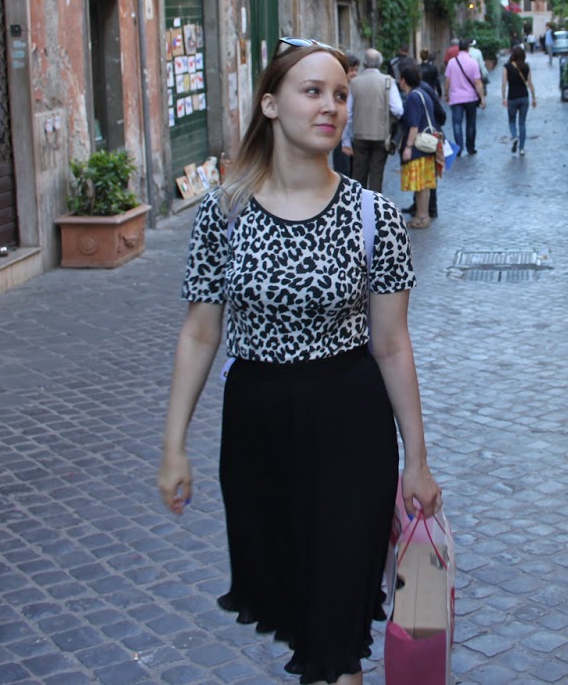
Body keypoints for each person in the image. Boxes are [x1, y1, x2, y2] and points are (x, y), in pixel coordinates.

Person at [158, 39, 441, 685]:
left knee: (336, 629)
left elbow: (392, 344)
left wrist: (417, 463)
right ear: (270, 104)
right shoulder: (224, 212)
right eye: (312, 92)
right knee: (301, 615)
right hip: (258, 429)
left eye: (340, 94)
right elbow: (201, 334)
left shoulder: (373, 218)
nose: (331, 106)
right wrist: (174, 445)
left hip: (351, 425)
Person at [348, 47, 403, 192]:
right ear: (380, 63)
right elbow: (398, 110)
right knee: (376, 174)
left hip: (359, 135)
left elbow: (348, 114)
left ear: (364, 63)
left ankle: (356, 206)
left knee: (358, 174)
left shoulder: (354, 83)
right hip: (381, 135)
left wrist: (345, 140)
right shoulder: (388, 82)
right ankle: (373, 208)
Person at [397, 60, 440, 228]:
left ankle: (421, 217)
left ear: (403, 80)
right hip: (427, 146)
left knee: (420, 184)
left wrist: (408, 147)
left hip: (418, 146)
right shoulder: (422, 93)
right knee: (425, 184)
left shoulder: (413, 97)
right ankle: (423, 216)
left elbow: (414, 125)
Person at [444, 39, 485, 155]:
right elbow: (477, 82)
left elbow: (447, 80)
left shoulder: (452, 62)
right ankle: (470, 148)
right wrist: (482, 98)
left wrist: (446, 94)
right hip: (471, 98)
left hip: (456, 98)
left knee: (457, 123)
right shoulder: (473, 62)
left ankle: (459, 147)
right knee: (471, 123)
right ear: (468, 48)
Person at [501, 45, 537, 155]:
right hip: (524, 97)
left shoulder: (506, 67)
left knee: (512, 121)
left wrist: (503, 97)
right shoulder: (526, 66)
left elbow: (504, 84)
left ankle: (514, 136)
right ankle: (521, 148)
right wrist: (534, 97)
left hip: (512, 97)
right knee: (522, 123)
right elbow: (530, 83)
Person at [333, 58, 358, 177]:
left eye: (356, 70)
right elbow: (346, 115)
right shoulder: (341, 89)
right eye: (351, 70)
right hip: (342, 136)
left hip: (351, 136)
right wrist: (345, 142)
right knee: (343, 172)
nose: (354, 73)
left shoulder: (354, 87)